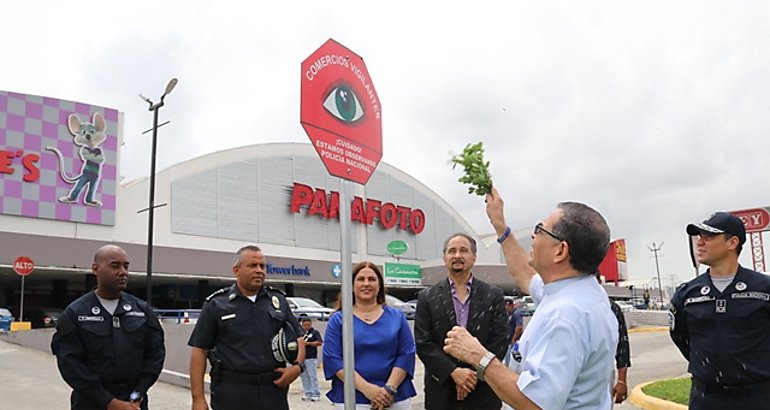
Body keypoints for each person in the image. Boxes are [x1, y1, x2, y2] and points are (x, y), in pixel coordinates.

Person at [443, 187, 618, 410]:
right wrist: (499, 224)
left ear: (560, 251)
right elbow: (524, 274)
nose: (533, 236)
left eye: (540, 229)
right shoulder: (579, 291)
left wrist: (478, 356)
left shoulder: (565, 316)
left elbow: (535, 402)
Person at [670, 212, 770, 409]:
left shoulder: (763, 289)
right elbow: (680, 337)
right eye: (699, 236)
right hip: (706, 398)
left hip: (759, 399)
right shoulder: (687, 294)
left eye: (709, 237)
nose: (700, 242)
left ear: (732, 243)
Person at [188, 245, 305, 410]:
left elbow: (299, 338)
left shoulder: (278, 301)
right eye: (252, 266)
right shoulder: (217, 304)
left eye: (262, 266)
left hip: (273, 390)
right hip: (232, 392)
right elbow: (199, 351)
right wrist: (198, 398)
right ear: (236, 270)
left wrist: (297, 367)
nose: (259, 270)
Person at [51, 244, 165, 410]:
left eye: (126, 266)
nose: (123, 272)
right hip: (90, 403)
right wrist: (109, 402)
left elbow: (155, 354)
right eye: (115, 266)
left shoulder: (142, 311)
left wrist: (137, 394)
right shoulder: (75, 313)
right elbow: (70, 364)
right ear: (95, 269)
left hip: (135, 403)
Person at [414, 233, 509, 410]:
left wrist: (474, 375)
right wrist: (454, 372)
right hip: (442, 392)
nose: (457, 255)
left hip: (483, 390)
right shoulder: (427, 297)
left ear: (474, 257)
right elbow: (424, 344)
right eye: (452, 251)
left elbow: (500, 340)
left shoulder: (492, 295)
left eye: (463, 251)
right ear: (445, 258)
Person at [323, 261, 417, 410]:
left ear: (379, 285)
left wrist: (388, 390)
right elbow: (333, 359)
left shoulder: (397, 317)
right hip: (353, 399)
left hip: (394, 398)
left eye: (372, 279)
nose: (366, 284)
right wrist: (368, 389)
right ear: (351, 285)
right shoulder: (339, 320)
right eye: (360, 279)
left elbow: (406, 354)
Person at [594, 271, 631, 404]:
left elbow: (623, 344)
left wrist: (622, 381)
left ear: (599, 282)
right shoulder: (568, 308)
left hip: (603, 378)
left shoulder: (612, 309)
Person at [299, 318, 323, 402]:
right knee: (304, 376)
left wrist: (308, 343)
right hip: (302, 358)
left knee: (312, 376)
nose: (306, 326)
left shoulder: (314, 333)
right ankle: (308, 392)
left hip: (311, 357)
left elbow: (319, 342)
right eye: (305, 325)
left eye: (308, 325)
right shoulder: (300, 333)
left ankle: (316, 393)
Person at [503, 299, 523, 367]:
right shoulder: (509, 314)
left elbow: (519, 327)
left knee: (512, 361)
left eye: (507, 306)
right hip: (509, 342)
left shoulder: (516, 314)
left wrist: (514, 338)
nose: (506, 308)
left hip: (515, 342)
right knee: (508, 360)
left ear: (511, 305)